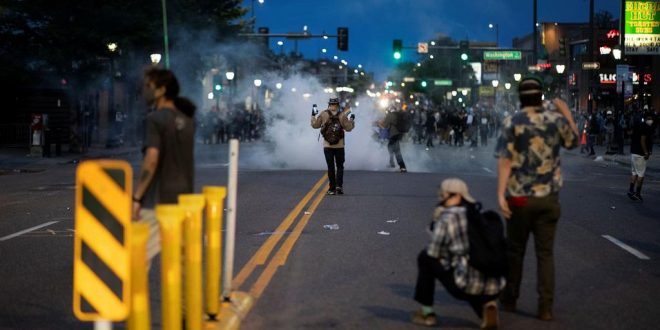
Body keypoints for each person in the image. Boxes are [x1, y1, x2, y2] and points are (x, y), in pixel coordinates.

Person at [495, 77, 579, 321]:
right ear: (541, 97)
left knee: (515, 251)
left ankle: (510, 299)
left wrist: (501, 194)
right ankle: (545, 307)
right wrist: (566, 114)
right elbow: (574, 142)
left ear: (520, 97)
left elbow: (504, 160)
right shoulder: (555, 120)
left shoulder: (512, 121)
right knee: (545, 254)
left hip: (519, 198)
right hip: (548, 199)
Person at [412, 178, 504, 329]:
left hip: (465, 283)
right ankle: (487, 308)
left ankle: (426, 313)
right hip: (495, 285)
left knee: (425, 258)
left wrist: (435, 222)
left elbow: (434, 252)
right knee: (471, 269)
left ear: (457, 196)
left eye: (443, 195)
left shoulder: (447, 218)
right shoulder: (477, 213)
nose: (440, 198)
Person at [132, 68, 196, 258]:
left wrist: (137, 198)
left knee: (138, 258)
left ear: (161, 90)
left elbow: (151, 161)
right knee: (180, 261)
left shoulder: (155, 119)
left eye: (148, 86)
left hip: (158, 201)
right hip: (184, 198)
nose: (145, 91)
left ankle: (137, 290)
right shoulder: (187, 120)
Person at [311, 98, 355, 195]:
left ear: (329, 104)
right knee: (340, 167)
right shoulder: (343, 115)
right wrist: (352, 120)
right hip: (339, 146)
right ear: (338, 105)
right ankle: (339, 187)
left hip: (327, 146)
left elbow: (315, 125)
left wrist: (313, 115)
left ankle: (331, 189)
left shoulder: (323, 114)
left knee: (330, 167)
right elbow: (349, 128)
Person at [627, 111, 655, 202]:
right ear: (647, 118)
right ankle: (637, 193)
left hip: (633, 152)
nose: (651, 120)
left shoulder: (638, 125)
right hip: (640, 154)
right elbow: (643, 140)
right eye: (650, 119)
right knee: (641, 174)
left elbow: (630, 133)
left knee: (634, 172)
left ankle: (631, 190)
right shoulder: (646, 127)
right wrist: (646, 152)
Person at [380, 107, 408, 172]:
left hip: (394, 134)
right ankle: (401, 166)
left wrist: (379, 123)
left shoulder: (390, 115)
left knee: (392, 148)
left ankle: (396, 165)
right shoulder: (397, 115)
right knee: (396, 150)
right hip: (398, 134)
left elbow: (385, 125)